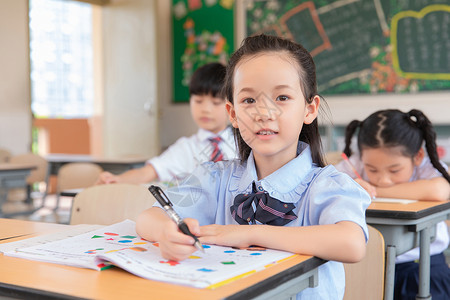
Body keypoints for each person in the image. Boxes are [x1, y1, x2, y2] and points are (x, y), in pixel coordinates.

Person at [136, 34, 370, 299]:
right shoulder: (215, 177)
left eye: (282, 97)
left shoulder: (328, 185)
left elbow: (351, 243)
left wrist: (248, 234)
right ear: (233, 114)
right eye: (249, 100)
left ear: (309, 109)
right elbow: (148, 218)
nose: (264, 113)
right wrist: (168, 232)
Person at [335, 109, 450, 300]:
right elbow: (328, 186)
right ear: (362, 156)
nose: (383, 179)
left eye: (394, 170)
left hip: (422, 267)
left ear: (418, 156)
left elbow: (438, 191)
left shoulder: (427, 165)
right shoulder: (356, 163)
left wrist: (372, 191)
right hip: (370, 267)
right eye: (372, 169)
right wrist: (350, 184)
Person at [96, 62, 237, 185]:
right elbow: (148, 172)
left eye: (216, 102)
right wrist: (116, 179)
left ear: (231, 106)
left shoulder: (244, 143)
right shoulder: (185, 148)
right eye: (198, 101)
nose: (205, 109)